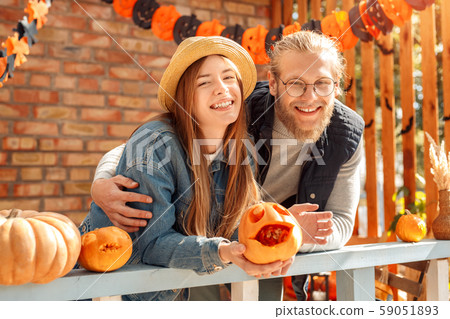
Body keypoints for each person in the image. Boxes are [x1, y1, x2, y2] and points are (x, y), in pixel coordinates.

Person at [91, 31, 364, 301]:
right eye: (295, 83)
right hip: (175, 257)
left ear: (337, 85)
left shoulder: (344, 134)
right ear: (273, 82)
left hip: (246, 233)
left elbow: (340, 219)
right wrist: (102, 180)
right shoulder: (239, 111)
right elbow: (142, 149)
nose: (310, 96)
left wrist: (286, 233)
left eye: (322, 83)